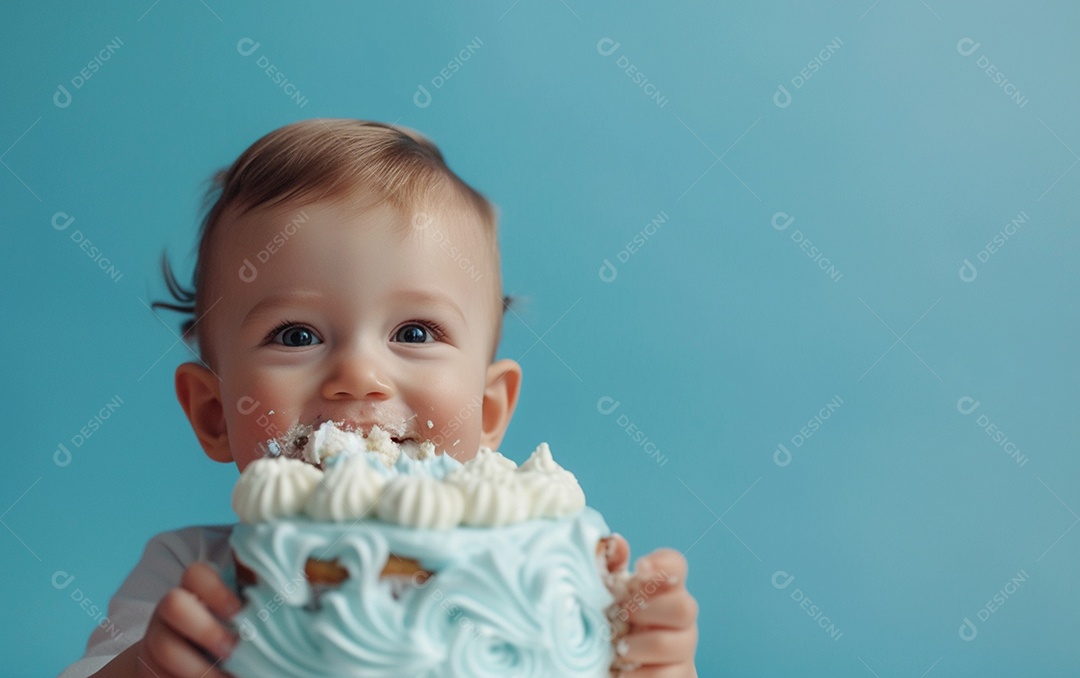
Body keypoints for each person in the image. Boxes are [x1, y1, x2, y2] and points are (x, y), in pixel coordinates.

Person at [60, 119, 699, 678]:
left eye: (414, 332)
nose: (359, 375)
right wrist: (147, 668)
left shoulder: (541, 566)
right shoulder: (197, 577)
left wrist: (651, 661)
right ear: (213, 413)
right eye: (296, 334)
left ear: (490, 408)